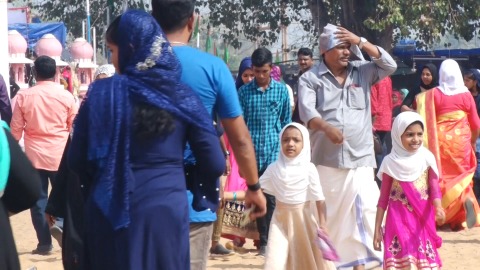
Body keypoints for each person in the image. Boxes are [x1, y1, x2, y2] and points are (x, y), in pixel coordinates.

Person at [68, 10, 225, 269]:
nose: (113, 59)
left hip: (109, 211)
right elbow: (214, 163)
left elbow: (76, 160)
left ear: (130, 48)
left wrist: (104, 179)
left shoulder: (102, 94)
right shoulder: (182, 97)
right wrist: (180, 175)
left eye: (112, 50)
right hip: (165, 211)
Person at [152, 0, 266, 267]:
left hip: (145, 196)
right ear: (192, 21)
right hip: (195, 198)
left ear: (153, 19)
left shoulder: (135, 66)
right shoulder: (213, 68)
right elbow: (239, 138)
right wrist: (253, 186)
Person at [298, 23, 397, 270]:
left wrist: (360, 40)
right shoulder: (310, 79)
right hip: (327, 162)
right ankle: (334, 263)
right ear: (324, 51)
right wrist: (326, 128)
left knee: (366, 208)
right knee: (332, 219)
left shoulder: (362, 71)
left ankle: (362, 263)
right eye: (340, 47)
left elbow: (389, 65)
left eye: (347, 47)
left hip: (362, 159)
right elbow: (307, 113)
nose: (346, 52)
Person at [10, 55, 78, 255]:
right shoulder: (65, 96)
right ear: (56, 73)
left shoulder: (24, 96)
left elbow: (15, 131)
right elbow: (73, 127)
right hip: (61, 155)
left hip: (34, 156)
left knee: (38, 201)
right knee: (66, 198)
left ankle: (44, 244)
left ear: (34, 73)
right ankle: (66, 234)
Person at [374, 111, 444, 269]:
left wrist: (439, 207)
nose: (416, 139)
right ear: (398, 135)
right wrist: (377, 228)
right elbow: (383, 199)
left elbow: (434, 190)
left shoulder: (427, 158)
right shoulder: (389, 162)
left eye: (420, 134)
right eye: (410, 134)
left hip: (421, 222)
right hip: (397, 221)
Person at [238, 47, 292, 256]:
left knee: (272, 198)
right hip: (252, 155)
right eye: (257, 71)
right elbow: (240, 124)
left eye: (264, 71)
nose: (260, 76)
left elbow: (286, 123)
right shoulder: (244, 93)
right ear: (253, 69)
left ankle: (273, 241)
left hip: (274, 153)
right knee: (257, 194)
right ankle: (263, 241)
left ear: (271, 69)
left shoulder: (281, 91)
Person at [416, 59, 480, 230]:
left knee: (441, 176)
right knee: (462, 177)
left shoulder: (433, 94)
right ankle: (461, 216)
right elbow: (475, 123)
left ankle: (442, 214)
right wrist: (472, 141)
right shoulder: (466, 94)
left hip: (440, 142)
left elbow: (422, 113)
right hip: (461, 142)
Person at [260, 122, 332, 270]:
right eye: (285, 140)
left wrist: (323, 224)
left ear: (305, 143)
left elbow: (319, 199)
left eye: (296, 140)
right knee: (274, 261)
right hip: (279, 222)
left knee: (305, 261)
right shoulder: (273, 169)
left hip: (303, 221)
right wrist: (226, 196)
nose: (290, 144)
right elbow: (255, 190)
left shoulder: (309, 169)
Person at [222, 56, 258, 249]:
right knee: (237, 188)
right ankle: (238, 235)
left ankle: (258, 236)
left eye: (252, 75)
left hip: (257, 146)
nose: (249, 79)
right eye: (246, 75)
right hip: (237, 148)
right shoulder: (235, 95)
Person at [0, 121, 42, 270]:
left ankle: (44, 243)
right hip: (55, 151)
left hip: (35, 150)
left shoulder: (24, 96)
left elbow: (17, 122)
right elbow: (30, 189)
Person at [464, 69, 480, 202]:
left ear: (475, 81)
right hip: (467, 134)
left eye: (467, 80)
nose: (465, 83)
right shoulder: (464, 95)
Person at [292, 47, 314, 123]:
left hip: (313, 116)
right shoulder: (298, 76)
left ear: (312, 61)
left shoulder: (316, 77)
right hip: (299, 115)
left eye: (305, 59)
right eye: (300, 59)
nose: (302, 62)